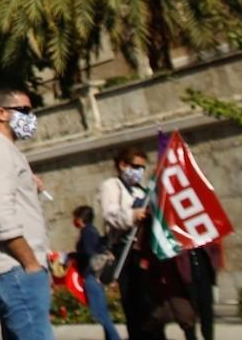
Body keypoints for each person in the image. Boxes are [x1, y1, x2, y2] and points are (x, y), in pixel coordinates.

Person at [0, 88, 54, 340]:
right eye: (25, 110)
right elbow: (0, 215)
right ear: (2, 113)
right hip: (15, 269)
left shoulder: (3, 149)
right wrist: (31, 263)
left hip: (15, 271)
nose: (31, 117)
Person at [98, 146, 154, 339]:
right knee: (134, 305)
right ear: (122, 165)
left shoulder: (142, 190)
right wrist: (132, 215)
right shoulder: (112, 186)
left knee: (150, 305)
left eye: (142, 168)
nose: (139, 171)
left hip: (145, 250)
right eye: (135, 166)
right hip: (126, 250)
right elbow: (110, 215)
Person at [71, 206, 121, 340]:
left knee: (100, 313)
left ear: (80, 219)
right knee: (102, 312)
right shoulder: (92, 230)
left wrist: (72, 256)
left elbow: (88, 253)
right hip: (95, 275)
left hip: (92, 275)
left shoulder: (87, 232)